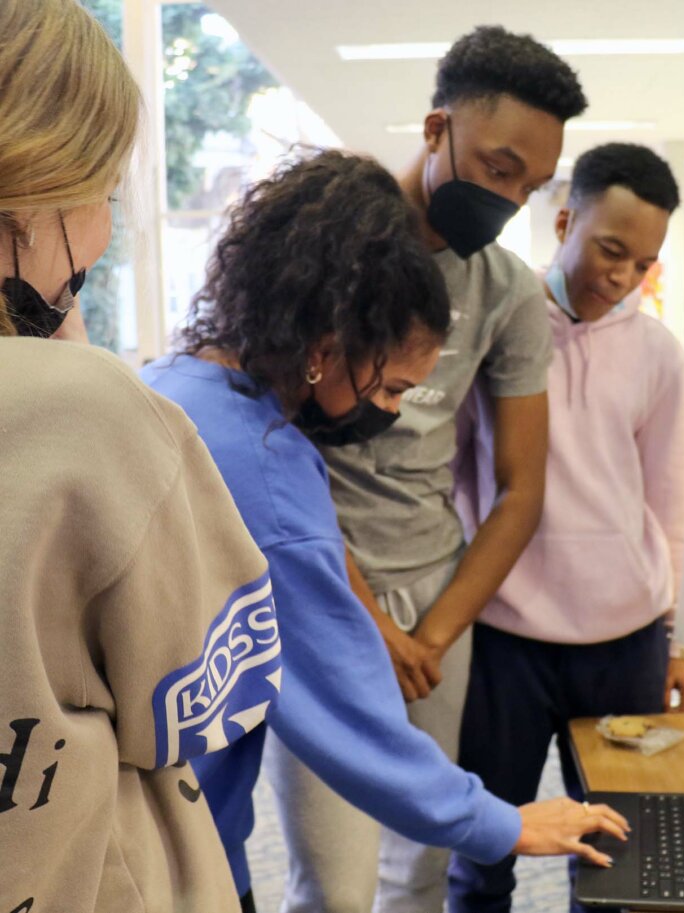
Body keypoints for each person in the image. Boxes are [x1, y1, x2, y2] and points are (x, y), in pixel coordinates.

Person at [140, 149, 628, 913]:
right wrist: (503, 821)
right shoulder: (270, 473)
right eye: (394, 386)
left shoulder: (167, 383)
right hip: (177, 850)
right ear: (328, 346)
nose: (395, 412)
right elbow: (350, 713)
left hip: (144, 810)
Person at [264, 26, 590, 913]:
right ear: (436, 127)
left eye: (527, 184)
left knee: (425, 861)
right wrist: (366, 616)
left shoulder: (509, 292)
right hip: (316, 592)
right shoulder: (322, 250)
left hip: (436, 609)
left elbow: (524, 488)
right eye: (497, 167)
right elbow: (271, 456)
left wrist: (435, 633)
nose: (509, 198)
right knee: (330, 878)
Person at [0, 1, 281, 910]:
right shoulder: (91, 411)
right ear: (34, 192)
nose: (106, 230)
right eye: (104, 194)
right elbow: (205, 696)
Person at [447, 143, 684, 913]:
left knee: (617, 861)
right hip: (504, 642)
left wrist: (676, 638)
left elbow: (671, 502)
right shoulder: (498, 327)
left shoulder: (657, 354)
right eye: (610, 249)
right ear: (564, 220)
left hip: (624, 646)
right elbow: (452, 471)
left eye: (643, 263)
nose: (621, 276)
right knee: (484, 852)